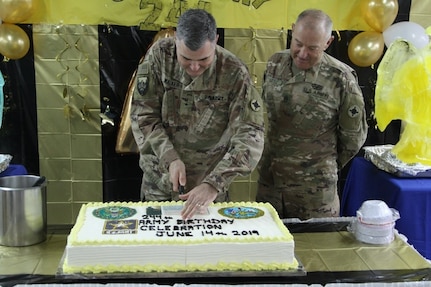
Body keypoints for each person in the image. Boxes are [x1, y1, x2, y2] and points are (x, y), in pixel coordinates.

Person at [130, 9, 265, 219]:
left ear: (216, 40)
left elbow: (250, 134)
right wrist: (170, 158)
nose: (194, 67)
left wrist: (215, 183)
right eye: (186, 58)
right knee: (158, 249)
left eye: (203, 59)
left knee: (208, 250)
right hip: (160, 182)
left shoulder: (234, 72)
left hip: (208, 187)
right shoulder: (159, 57)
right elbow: (143, 116)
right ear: (176, 39)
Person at [256, 9, 368, 220]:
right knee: (266, 245)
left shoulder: (340, 79)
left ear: (328, 42)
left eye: (312, 48)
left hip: (314, 191)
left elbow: (353, 138)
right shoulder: (274, 64)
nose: (303, 53)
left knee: (314, 247)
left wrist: (319, 163)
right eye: (298, 43)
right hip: (270, 182)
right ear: (292, 31)